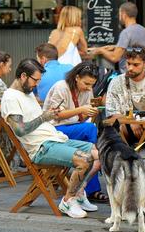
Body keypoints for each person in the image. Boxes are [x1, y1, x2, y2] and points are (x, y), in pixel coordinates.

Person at [0, 58, 101, 219]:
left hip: (56, 138)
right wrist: (44, 117)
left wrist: (49, 115)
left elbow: (38, 120)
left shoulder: (27, 93)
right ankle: (68, 201)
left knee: (99, 155)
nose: (37, 84)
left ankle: (79, 192)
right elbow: (20, 130)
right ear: (24, 76)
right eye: (36, 80)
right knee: (85, 160)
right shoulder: (11, 97)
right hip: (41, 147)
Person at [43, 61, 108, 206]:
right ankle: (89, 187)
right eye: (86, 84)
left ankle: (86, 182)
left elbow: (80, 118)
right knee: (90, 130)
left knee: (90, 129)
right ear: (77, 77)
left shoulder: (86, 89)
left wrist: (89, 112)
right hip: (53, 129)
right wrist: (82, 110)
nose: (89, 88)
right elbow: (56, 115)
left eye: (92, 84)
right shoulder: (61, 87)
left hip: (71, 127)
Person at [89, 2, 145, 74]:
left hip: (129, 74)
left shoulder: (126, 32)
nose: (119, 16)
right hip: (143, 73)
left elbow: (115, 57)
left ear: (123, 14)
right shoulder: (143, 30)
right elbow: (135, 48)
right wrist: (115, 47)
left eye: (119, 14)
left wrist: (100, 51)